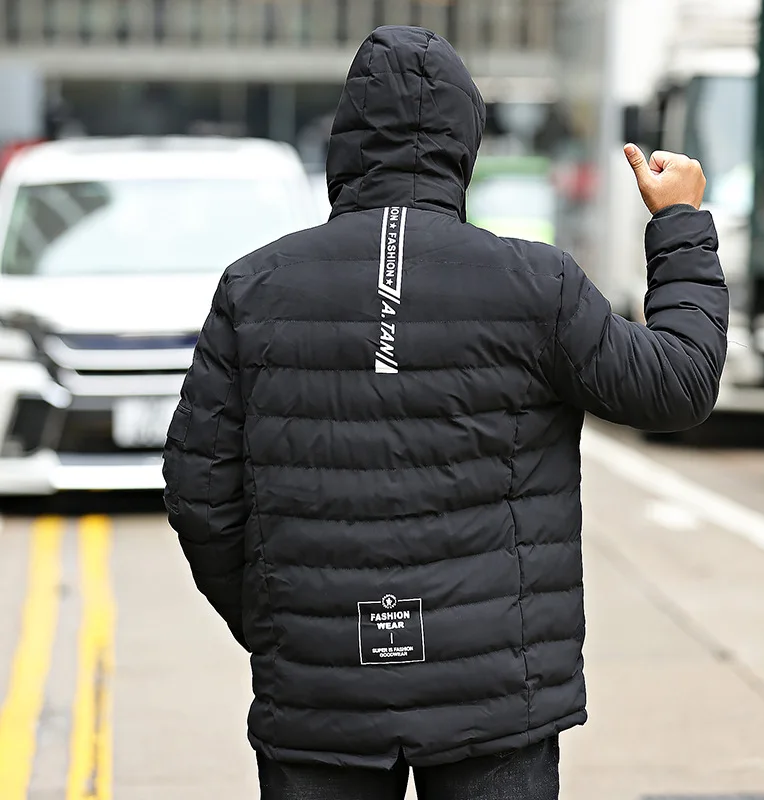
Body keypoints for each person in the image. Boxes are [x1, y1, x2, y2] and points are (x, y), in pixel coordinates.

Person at [163, 25, 728, 800]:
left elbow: (199, 491)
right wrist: (680, 226)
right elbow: (679, 384)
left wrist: (284, 623)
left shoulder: (255, 286)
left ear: (345, 143)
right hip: (495, 701)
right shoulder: (536, 283)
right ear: (464, 143)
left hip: (319, 696)